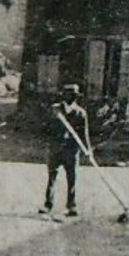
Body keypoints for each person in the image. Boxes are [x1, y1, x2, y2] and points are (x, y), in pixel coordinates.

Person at [43, 83, 90, 216]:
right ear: (63, 96)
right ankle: (48, 204)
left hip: (72, 150)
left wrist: (87, 150)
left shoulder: (81, 113)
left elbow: (84, 133)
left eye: (74, 95)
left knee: (72, 178)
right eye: (68, 94)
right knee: (52, 177)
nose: (71, 97)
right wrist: (51, 142)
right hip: (56, 149)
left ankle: (71, 206)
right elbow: (46, 128)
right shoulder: (55, 110)